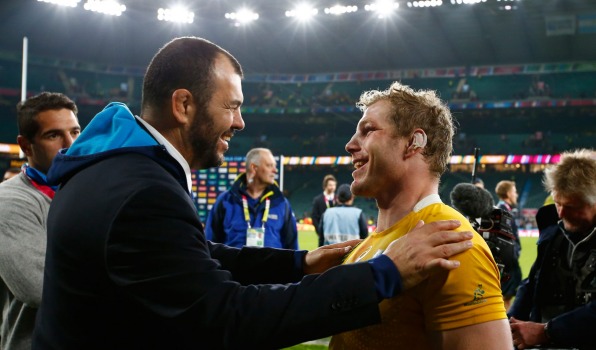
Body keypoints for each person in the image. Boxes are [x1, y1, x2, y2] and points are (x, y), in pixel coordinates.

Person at [32, 37, 474, 350]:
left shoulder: (112, 169)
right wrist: (383, 275)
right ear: (184, 105)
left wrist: (300, 263)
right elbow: (226, 319)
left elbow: (192, 259)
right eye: (232, 105)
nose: (240, 122)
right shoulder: (143, 191)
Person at [330, 82, 512, 349]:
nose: (349, 145)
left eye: (368, 130)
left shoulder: (451, 243)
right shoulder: (370, 245)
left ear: (414, 142)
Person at [0, 92, 80, 350]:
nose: (70, 144)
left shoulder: (81, 190)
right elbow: (38, 287)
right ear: (25, 145)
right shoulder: (9, 200)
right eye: (54, 135)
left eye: (75, 132)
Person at [509, 149, 596, 350]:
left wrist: (546, 331)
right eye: (558, 203)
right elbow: (532, 284)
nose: (562, 213)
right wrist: (510, 324)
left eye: (572, 206)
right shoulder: (552, 236)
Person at [205, 147, 298, 249]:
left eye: (275, 166)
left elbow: (292, 246)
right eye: (269, 165)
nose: (275, 171)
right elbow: (210, 243)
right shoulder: (226, 200)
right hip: (234, 265)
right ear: (254, 167)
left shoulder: (281, 202)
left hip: (272, 265)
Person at [495, 180, 522, 311]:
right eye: (514, 191)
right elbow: (504, 240)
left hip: (508, 262)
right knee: (505, 296)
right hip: (507, 263)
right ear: (508, 193)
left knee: (507, 296)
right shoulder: (502, 211)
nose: (516, 194)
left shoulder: (504, 209)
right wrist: (514, 253)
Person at [311, 174, 337, 246]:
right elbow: (314, 217)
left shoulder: (338, 199)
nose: (332, 187)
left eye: (334, 185)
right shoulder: (317, 200)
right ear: (325, 186)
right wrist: (319, 232)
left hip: (337, 234)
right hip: (323, 234)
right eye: (330, 185)